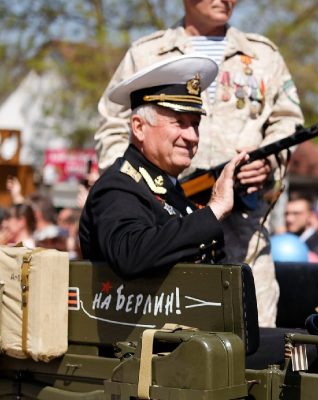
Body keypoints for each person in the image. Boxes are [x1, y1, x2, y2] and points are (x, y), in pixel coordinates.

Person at [94, 0, 304, 326]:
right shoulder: (147, 53)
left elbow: (287, 121)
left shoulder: (264, 56)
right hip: (164, 223)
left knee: (254, 338)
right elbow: (113, 124)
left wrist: (267, 161)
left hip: (243, 230)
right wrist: (134, 189)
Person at [80, 54, 246, 278]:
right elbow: (130, 255)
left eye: (195, 125)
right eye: (180, 122)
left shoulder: (172, 192)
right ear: (139, 127)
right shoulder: (118, 188)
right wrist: (214, 210)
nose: (192, 136)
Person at [284, 191, 318, 261]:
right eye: (286, 213)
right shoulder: (283, 241)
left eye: (296, 213)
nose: (289, 219)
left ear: (311, 215)